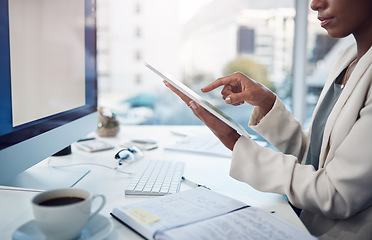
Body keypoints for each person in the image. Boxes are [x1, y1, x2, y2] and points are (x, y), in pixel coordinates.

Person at [164, 0, 372, 239]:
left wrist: (234, 141)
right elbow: (316, 158)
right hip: (305, 223)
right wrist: (266, 102)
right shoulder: (349, 59)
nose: (315, 4)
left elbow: (336, 193)